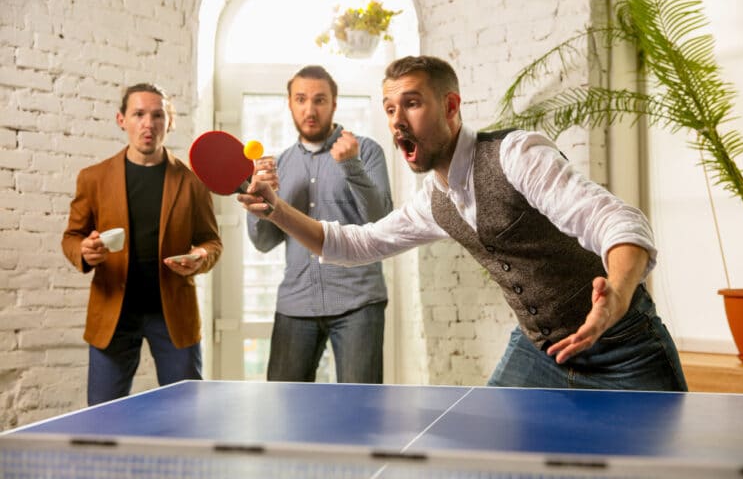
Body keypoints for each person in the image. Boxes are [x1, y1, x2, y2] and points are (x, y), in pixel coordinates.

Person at [238, 55, 688, 391]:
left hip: (625, 349)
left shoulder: (516, 155)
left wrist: (618, 295)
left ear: (451, 106)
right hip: (540, 351)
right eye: (390, 109)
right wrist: (275, 207)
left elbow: (617, 220)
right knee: (482, 459)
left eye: (411, 104)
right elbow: (354, 244)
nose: (397, 121)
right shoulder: (435, 200)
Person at [62, 83, 223, 405]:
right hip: (113, 312)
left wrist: (200, 255)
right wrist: (83, 251)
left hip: (173, 312)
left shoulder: (192, 182)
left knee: (187, 411)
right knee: (103, 415)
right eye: (138, 114)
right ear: (122, 120)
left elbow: (211, 241)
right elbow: (73, 236)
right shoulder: (93, 178)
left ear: (169, 121)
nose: (148, 123)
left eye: (157, 115)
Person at [247, 65, 393, 383]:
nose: (309, 110)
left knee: (359, 413)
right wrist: (259, 203)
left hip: (358, 303)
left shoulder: (365, 151)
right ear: (289, 103)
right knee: (285, 411)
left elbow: (381, 225)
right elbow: (263, 242)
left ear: (334, 104)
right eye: (301, 99)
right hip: (295, 305)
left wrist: (351, 166)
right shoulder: (279, 164)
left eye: (319, 100)